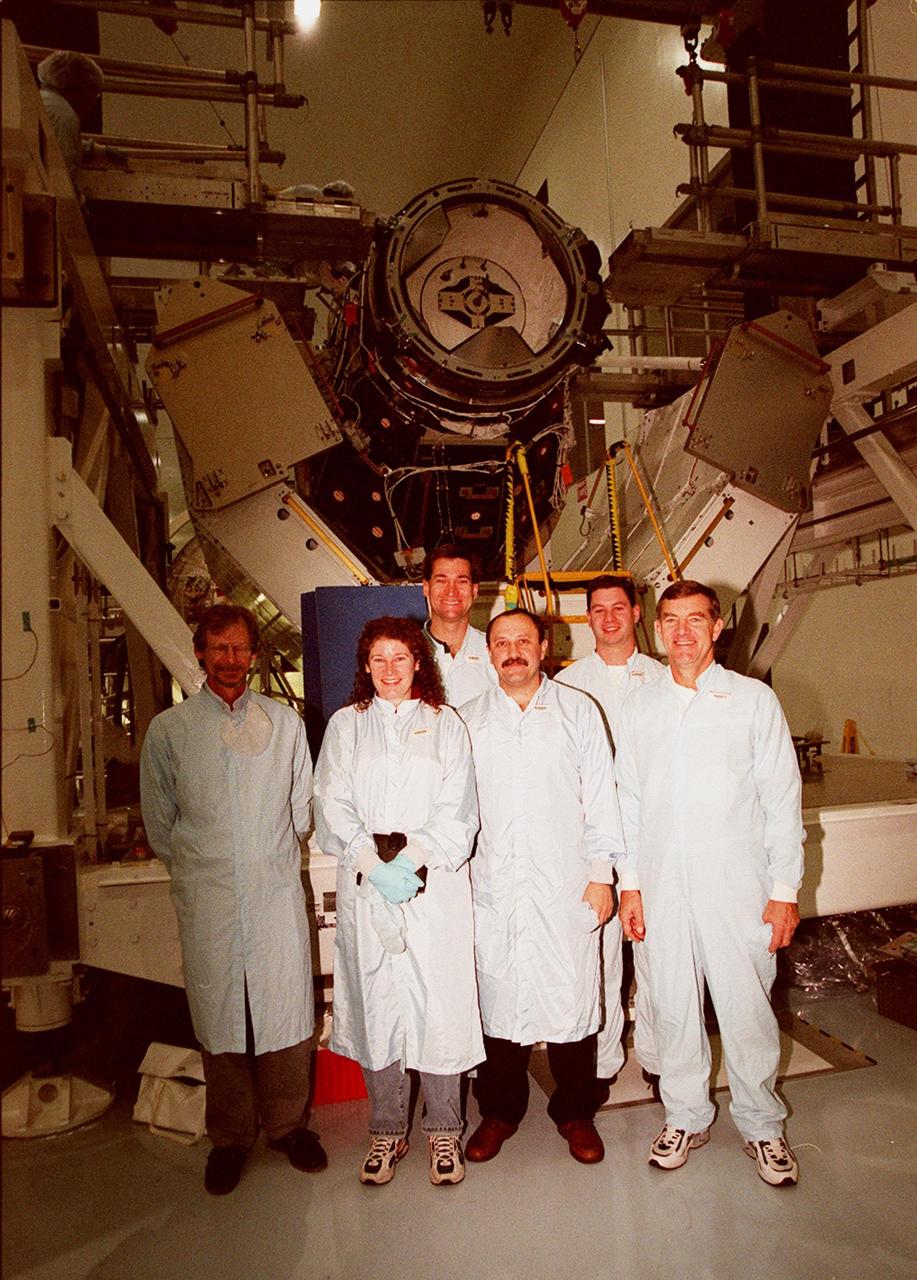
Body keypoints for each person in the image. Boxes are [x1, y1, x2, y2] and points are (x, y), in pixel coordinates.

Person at [615, 580, 805, 1187]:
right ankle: (686, 1114)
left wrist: (785, 890)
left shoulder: (752, 702)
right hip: (664, 887)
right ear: (658, 628)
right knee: (672, 1005)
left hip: (738, 887)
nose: (682, 633)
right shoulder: (641, 707)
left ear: (717, 627)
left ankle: (762, 1124)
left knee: (746, 1007)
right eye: (670, 620)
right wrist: (631, 884)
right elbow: (629, 803)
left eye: (695, 620)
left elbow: (782, 802)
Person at [140, 604, 326, 1195]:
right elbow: (159, 822)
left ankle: (288, 1126)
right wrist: (207, 869)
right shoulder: (170, 732)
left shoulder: (284, 725)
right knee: (221, 1016)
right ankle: (229, 1136)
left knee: (285, 1010)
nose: (230, 661)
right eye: (219, 649)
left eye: (241, 649)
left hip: (273, 893)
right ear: (200, 653)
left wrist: (258, 860)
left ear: (254, 655)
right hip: (210, 897)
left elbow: (302, 808)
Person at [313, 616, 483, 1186]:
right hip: (369, 888)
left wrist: (408, 865)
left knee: (438, 1009)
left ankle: (444, 1132)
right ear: (365, 666)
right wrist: (371, 864)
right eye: (379, 660)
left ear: (419, 664)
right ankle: (387, 1129)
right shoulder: (345, 725)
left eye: (401, 659)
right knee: (377, 1006)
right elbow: (331, 800)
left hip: (430, 889)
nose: (390, 670)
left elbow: (459, 809)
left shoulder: (445, 723)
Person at [460, 608, 624, 1165]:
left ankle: (576, 1111)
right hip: (494, 884)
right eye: (501, 642)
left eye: (522, 641)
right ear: (489, 653)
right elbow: (454, 809)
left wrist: (602, 876)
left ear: (543, 647)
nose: (512, 651)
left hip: (566, 885)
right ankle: (499, 1111)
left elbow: (603, 800)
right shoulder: (468, 719)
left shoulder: (578, 712)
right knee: (497, 999)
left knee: (570, 998)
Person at [555, 574, 666, 1098]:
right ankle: (600, 1065)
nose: (609, 618)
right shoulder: (569, 685)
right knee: (598, 956)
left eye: (618, 608)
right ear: (588, 619)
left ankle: (662, 1058)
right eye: (597, 610)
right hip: (593, 838)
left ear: (637, 614)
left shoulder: (667, 680)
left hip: (654, 835)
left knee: (657, 953)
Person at [36, 51, 125, 190]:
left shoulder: (44, 100)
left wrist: (99, 149)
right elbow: (64, 169)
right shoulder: (64, 115)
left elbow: (54, 142)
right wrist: (77, 200)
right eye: (94, 93)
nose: (91, 103)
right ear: (81, 89)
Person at [421, 542, 497, 705]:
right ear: (426, 587)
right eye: (441, 581)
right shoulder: (405, 651)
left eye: (461, 581)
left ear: (474, 590)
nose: (451, 591)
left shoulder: (495, 652)